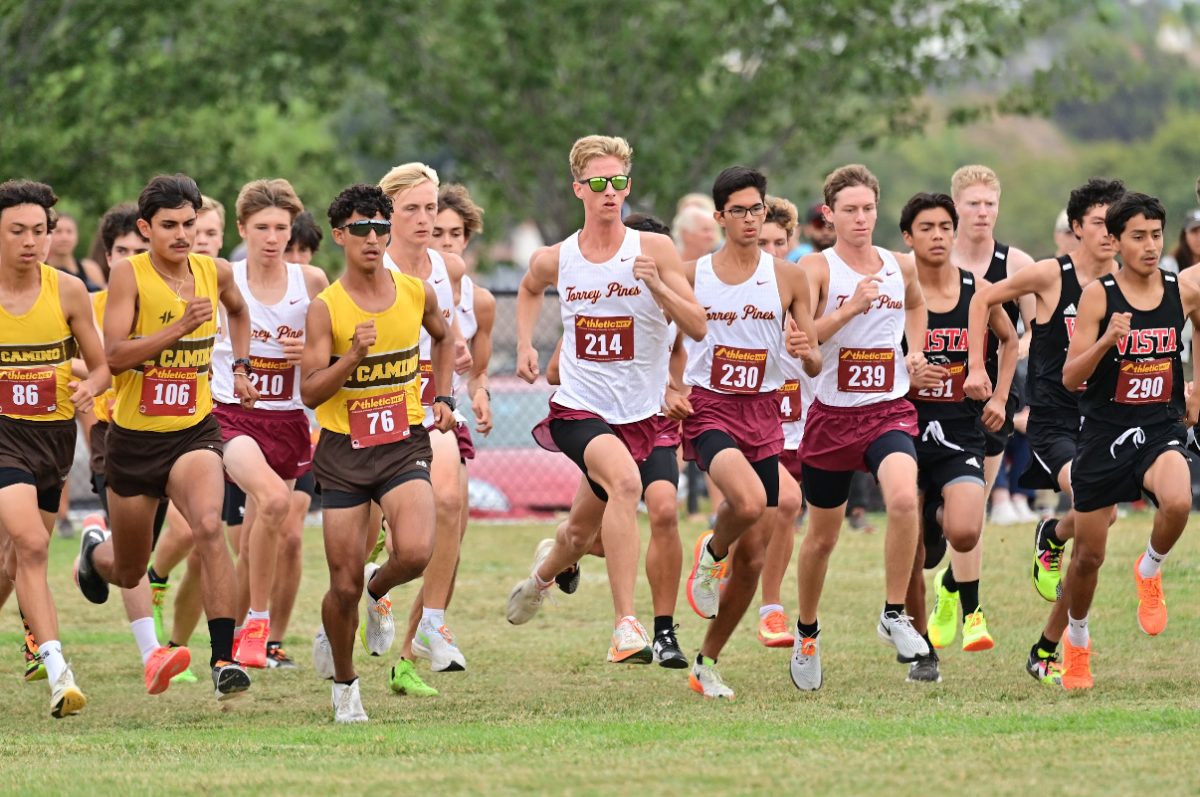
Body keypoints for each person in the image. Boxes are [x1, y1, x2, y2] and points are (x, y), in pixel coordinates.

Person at [506, 135, 706, 670]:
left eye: (618, 182)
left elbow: (698, 325)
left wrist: (659, 289)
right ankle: (627, 625)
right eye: (598, 183)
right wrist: (526, 344)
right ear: (579, 189)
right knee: (626, 484)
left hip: (642, 412)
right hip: (578, 408)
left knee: (576, 532)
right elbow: (528, 287)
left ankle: (543, 577)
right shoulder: (559, 257)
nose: (610, 191)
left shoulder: (655, 251)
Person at [73, 173, 257, 701]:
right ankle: (93, 553)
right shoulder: (130, 275)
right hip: (133, 441)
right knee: (128, 567)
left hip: (192, 433)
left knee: (207, 528)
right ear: (145, 227)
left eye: (189, 224)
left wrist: (241, 367)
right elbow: (114, 357)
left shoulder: (214, 270)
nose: (182, 235)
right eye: (170, 225)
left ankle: (223, 659)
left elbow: (239, 311)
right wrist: (178, 328)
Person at [302, 182, 454, 722]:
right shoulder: (326, 309)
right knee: (339, 586)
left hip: (401, 442)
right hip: (344, 449)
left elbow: (443, 338)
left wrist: (443, 394)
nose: (373, 238)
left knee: (414, 552)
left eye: (380, 228)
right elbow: (311, 390)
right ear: (340, 236)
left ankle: (378, 587)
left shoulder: (416, 292)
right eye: (361, 229)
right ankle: (345, 687)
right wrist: (353, 356)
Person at [967, 178, 1125, 685]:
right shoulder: (1051, 275)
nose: (1109, 233)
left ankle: (1046, 641)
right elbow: (981, 299)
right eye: (1099, 223)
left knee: (1096, 536)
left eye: (1115, 224)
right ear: (1076, 228)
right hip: (1054, 422)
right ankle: (1059, 635)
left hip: (1108, 423)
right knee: (1095, 506)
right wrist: (978, 366)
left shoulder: (1128, 283)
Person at [672, 168, 819, 699]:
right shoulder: (693, 274)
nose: (751, 219)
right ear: (720, 218)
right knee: (754, 501)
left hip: (764, 412)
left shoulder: (789, 278)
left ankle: (706, 661)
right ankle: (712, 550)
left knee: (754, 559)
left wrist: (809, 351)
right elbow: (669, 342)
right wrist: (671, 387)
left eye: (757, 209)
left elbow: (815, 356)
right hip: (711, 407)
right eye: (740, 210)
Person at [791, 164, 937, 691]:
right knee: (821, 538)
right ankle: (807, 631)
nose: (860, 218)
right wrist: (851, 308)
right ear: (829, 214)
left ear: (878, 208)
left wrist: (915, 352)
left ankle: (894, 612)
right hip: (831, 415)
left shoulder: (902, 264)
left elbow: (917, 306)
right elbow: (805, 339)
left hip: (887, 409)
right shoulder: (816, 267)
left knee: (903, 501)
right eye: (849, 210)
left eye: (868, 208)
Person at [1058, 192, 1199, 689]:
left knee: (1179, 500)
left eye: (1156, 235)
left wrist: (1195, 382)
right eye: (1137, 236)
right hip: (1104, 434)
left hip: (1160, 426)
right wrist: (1105, 341)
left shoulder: (1179, 288)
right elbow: (1071, 378)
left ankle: (1150, 567)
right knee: (1088, 558)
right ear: (1115, 241)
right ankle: (1076, 642)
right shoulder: (1099, 295)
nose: (1149, 245)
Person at [542, 210, 692, 669]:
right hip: (606, 422)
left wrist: (674, 390)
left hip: (657, 423)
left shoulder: (674, 305)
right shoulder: (608, 297)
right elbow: (555, 370)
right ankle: (553, 564)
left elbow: (683, 355)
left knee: (665, 509)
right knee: (588, 534)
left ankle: (664, 632)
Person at [896, 192, 1017, 682]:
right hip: (902, 425)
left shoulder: (978, 289)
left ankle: (938, 513)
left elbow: (1010, 340)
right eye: (926, 227)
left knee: (965, 531)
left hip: (961, 427)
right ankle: (923, 650)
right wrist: (905, 376)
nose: (938, 235)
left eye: (946, 226)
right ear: (908, 237)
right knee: (912, 553)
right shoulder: (893, 289)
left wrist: (1000, 398)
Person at [0, 179, 110, 717]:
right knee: (33, 546)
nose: (30, 241)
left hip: (53, 437)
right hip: (3, 437)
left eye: (39, 231)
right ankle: (58, 672)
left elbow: (104, 364)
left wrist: (92, 384)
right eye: (17, 230)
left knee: (13, 559)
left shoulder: (67, 290)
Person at [207, 179, 328, 668]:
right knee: (275, 501)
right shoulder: (221, 278)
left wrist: (311, 353)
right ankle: (257, 624)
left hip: (290, 419)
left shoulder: (313, 282)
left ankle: (229, 648)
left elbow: (331, 352)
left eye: (282, 227)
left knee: (266, 526)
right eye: (262, 228)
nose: (273, 237)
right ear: (242, 229)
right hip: (231, 417)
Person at [372, 163, 472, 695]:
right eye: (411, 208)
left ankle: (432, 621)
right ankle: (364, 599)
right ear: (389, 212)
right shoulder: (374, 264)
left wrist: (447, 394)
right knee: (368, 536)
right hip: (372, 409)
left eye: (431, 207)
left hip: (425, 406)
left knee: (451, 501)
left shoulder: (446, 267)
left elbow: (447, 338)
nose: (424, 218)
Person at [394, 183, 496, 683]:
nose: (446, 241)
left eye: (455, 233)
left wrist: (478, 390)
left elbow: (471, 363)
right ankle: (375, 601)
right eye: (437, 231)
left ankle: (421, 638)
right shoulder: (390, 269)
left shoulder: (470, 292)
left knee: (450, 520)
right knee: (395, 536)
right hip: (385, 407)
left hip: (440, 411)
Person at [755, 195, 805, 648]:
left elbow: (821, 361)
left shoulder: (805, 290)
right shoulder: (730, 291)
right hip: (747, 428)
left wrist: (808, 346)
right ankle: (771, 608)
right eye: (762, 241)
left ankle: (718, 549)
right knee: (783, 504)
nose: (770, 251)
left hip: (801, 431)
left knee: (780, 515)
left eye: (779, 242)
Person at [46, 211, 105, 290]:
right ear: (48, 236)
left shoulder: (90, 269)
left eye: (69, 232)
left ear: (77, 236)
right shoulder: (41, 271)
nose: (64, 238)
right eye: (58, 231)